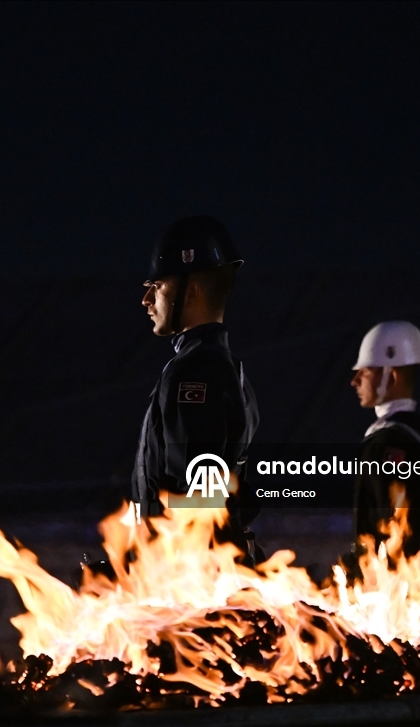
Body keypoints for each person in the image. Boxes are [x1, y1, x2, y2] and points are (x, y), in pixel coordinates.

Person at [132, 216, 260, 560]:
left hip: (190, 583)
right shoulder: (230, 368)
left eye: (157, 286)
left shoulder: (194, 371)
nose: (146, 299)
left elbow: (194, 502)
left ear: (191, 292)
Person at [349, 321, 420, 561]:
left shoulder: (389, 441)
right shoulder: (418, 436)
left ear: (392, 375)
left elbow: (390, 525)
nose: (355, 380)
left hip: (388, 584)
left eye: (366, 371)